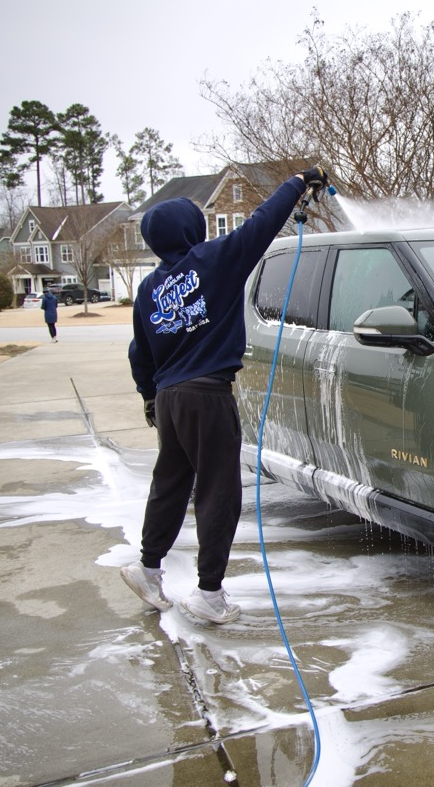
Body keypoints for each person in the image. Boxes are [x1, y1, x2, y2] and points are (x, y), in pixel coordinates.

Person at [121, 166, 329, 624]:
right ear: (191, 229)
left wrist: (149, 398)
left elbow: (140, 350)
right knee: (219, 493)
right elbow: (261, 222)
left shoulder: (149, 289)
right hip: (207, 395)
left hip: (170, 398)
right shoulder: (213, 260)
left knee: (171, 484)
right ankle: (209, 594)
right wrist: (298, 181)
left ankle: (148, 566)